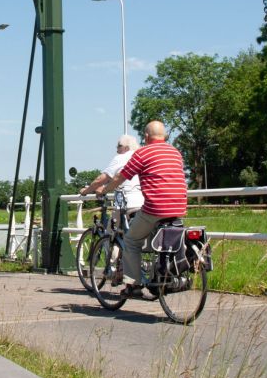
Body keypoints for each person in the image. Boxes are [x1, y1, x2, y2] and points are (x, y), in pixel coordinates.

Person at [100, 120, 187, 295]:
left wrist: (105, 189)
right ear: (165, 136)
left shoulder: (143, 153)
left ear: (146, 136)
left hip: (155, 208)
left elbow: (121, 176)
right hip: (178, 207)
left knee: (131, 240)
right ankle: (160, 273)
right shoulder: (175, 152)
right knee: (160, 241)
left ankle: (134, 284)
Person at [79, 134, 144, 217]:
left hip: (126, 203)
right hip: (144, 203)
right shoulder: (142, 158)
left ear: (126, 148)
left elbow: (101, 179)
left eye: (119, 146)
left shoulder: (120, 158)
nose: (117, 149)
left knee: (112, 229)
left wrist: (86, 191)